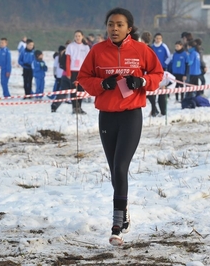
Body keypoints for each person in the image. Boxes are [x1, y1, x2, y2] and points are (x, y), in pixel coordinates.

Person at [78, 7, 163, 246]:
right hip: (107, 116)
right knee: (115, 171)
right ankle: (123, 209)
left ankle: (117, 225)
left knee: (120, 165)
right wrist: (101, 84)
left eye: (119, 25)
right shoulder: (97, 51)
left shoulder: (141, 50)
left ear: (129, 28)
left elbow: (158, 74)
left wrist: (142, 80)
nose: (114, 29)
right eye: (110, 25)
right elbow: (84, 78)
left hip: (131, 115)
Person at [65, 30, 90, 114]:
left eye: (79, 36)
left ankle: (79, 106)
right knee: (73, 90)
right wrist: (68, 72)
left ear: (82, 36)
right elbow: (68, 60)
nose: (77, 37)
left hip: (82, 72)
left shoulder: (86, 47)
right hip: (73, 71)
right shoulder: (70, 46)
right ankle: (74, 107)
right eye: (76, 36)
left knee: (81, 90)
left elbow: (88, 61)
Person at [140, 31, 159, 117]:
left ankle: (154, 110)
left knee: (149, 94)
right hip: (149, 73)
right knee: (150, 93)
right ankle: (155, 109)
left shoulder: (144, 49)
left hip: (145, 73)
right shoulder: (151, 48)